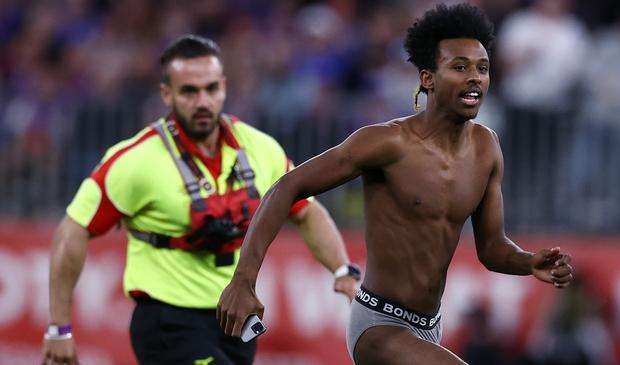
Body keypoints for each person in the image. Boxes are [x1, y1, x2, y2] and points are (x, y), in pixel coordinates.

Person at [217, 4, 574, 365]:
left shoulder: (487, 149)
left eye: (482, 69)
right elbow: (287, 187)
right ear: (427, 78)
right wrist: (243, 280)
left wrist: (529, 262)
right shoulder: (388, 143)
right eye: (460, 67)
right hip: (378, 325)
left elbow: (492, 248)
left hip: (430, 327)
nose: (475, 78)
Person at [42, 34, 360, 365]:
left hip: (236, 318)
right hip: (168, 323)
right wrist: (58, 329)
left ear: (224, 86)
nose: (203, 101)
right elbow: (73, 229)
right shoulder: (134, 161)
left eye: (211, 88)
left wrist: (341, 269)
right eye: (189, 91)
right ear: (166, 93)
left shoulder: (260, 149)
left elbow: (306, 211)